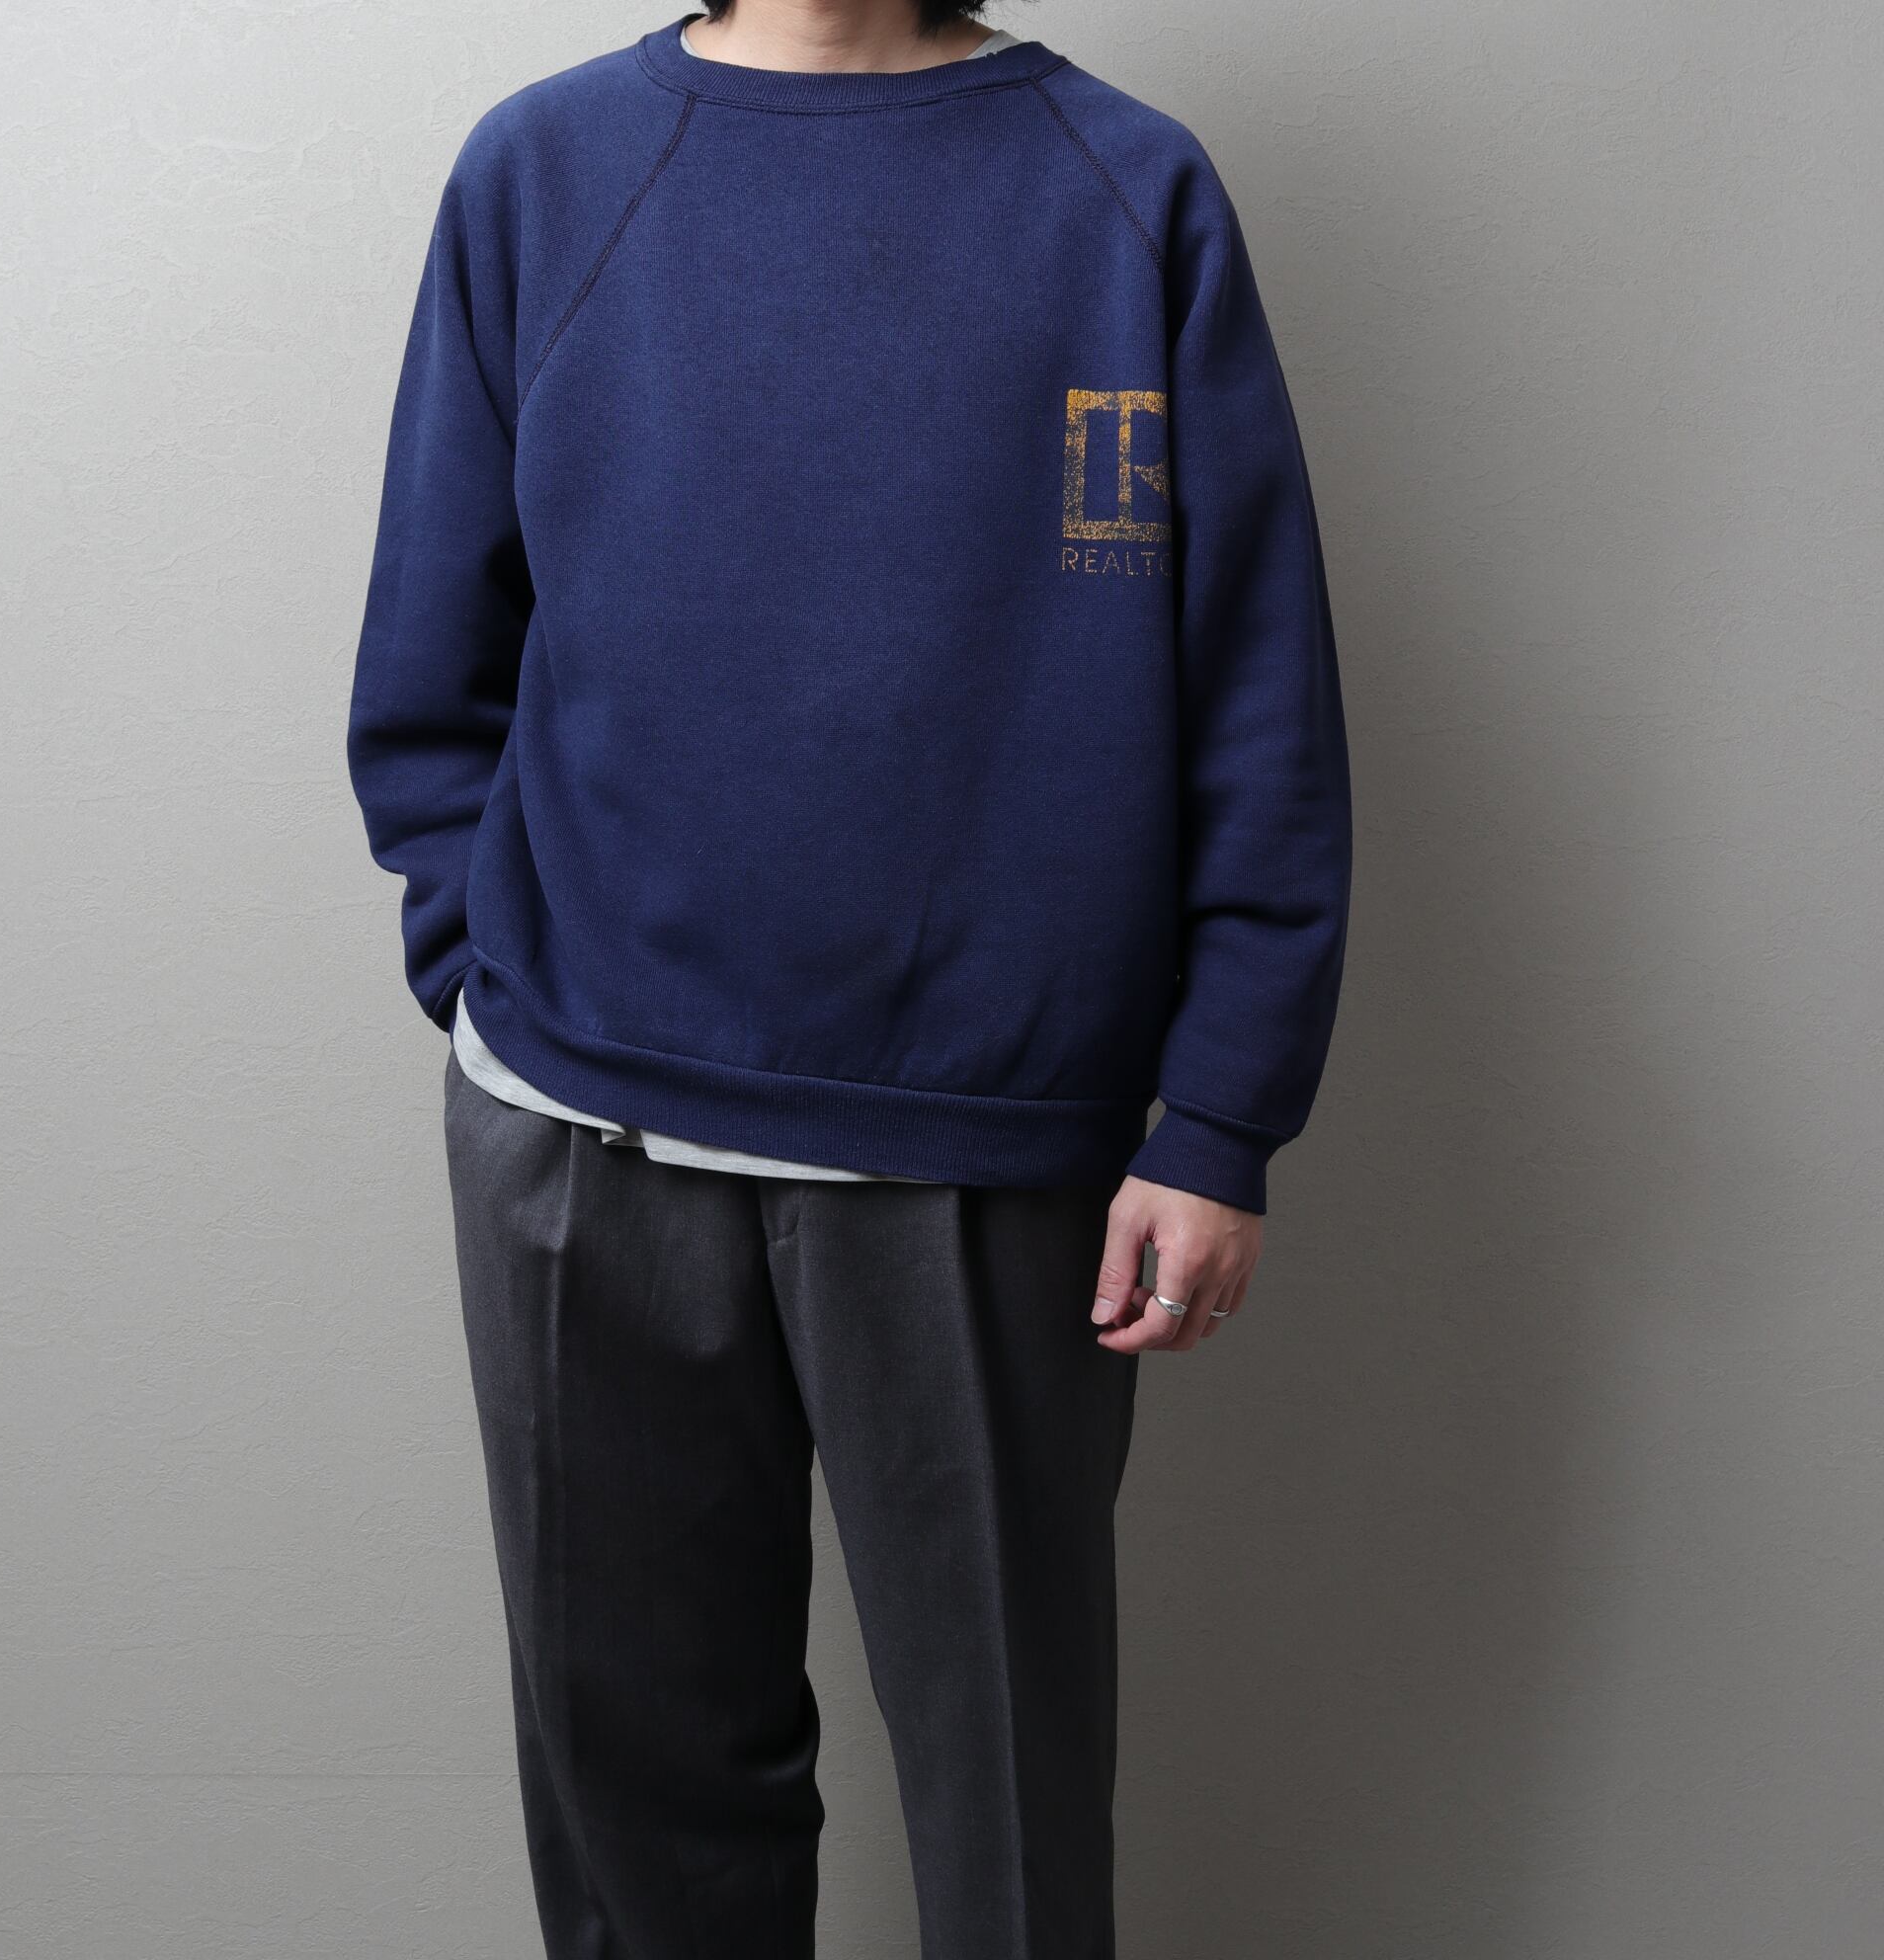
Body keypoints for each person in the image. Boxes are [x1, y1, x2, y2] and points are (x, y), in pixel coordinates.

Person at [347, 2, 1352, 1953]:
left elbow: (1257, 689)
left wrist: (1220, 1113)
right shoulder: (545, 169)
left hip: (995, 1146)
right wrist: (490, 977)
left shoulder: (1126, 188)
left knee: (1008, 1821)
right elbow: (434, 639)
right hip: (581, 1132)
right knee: (637, 1819)